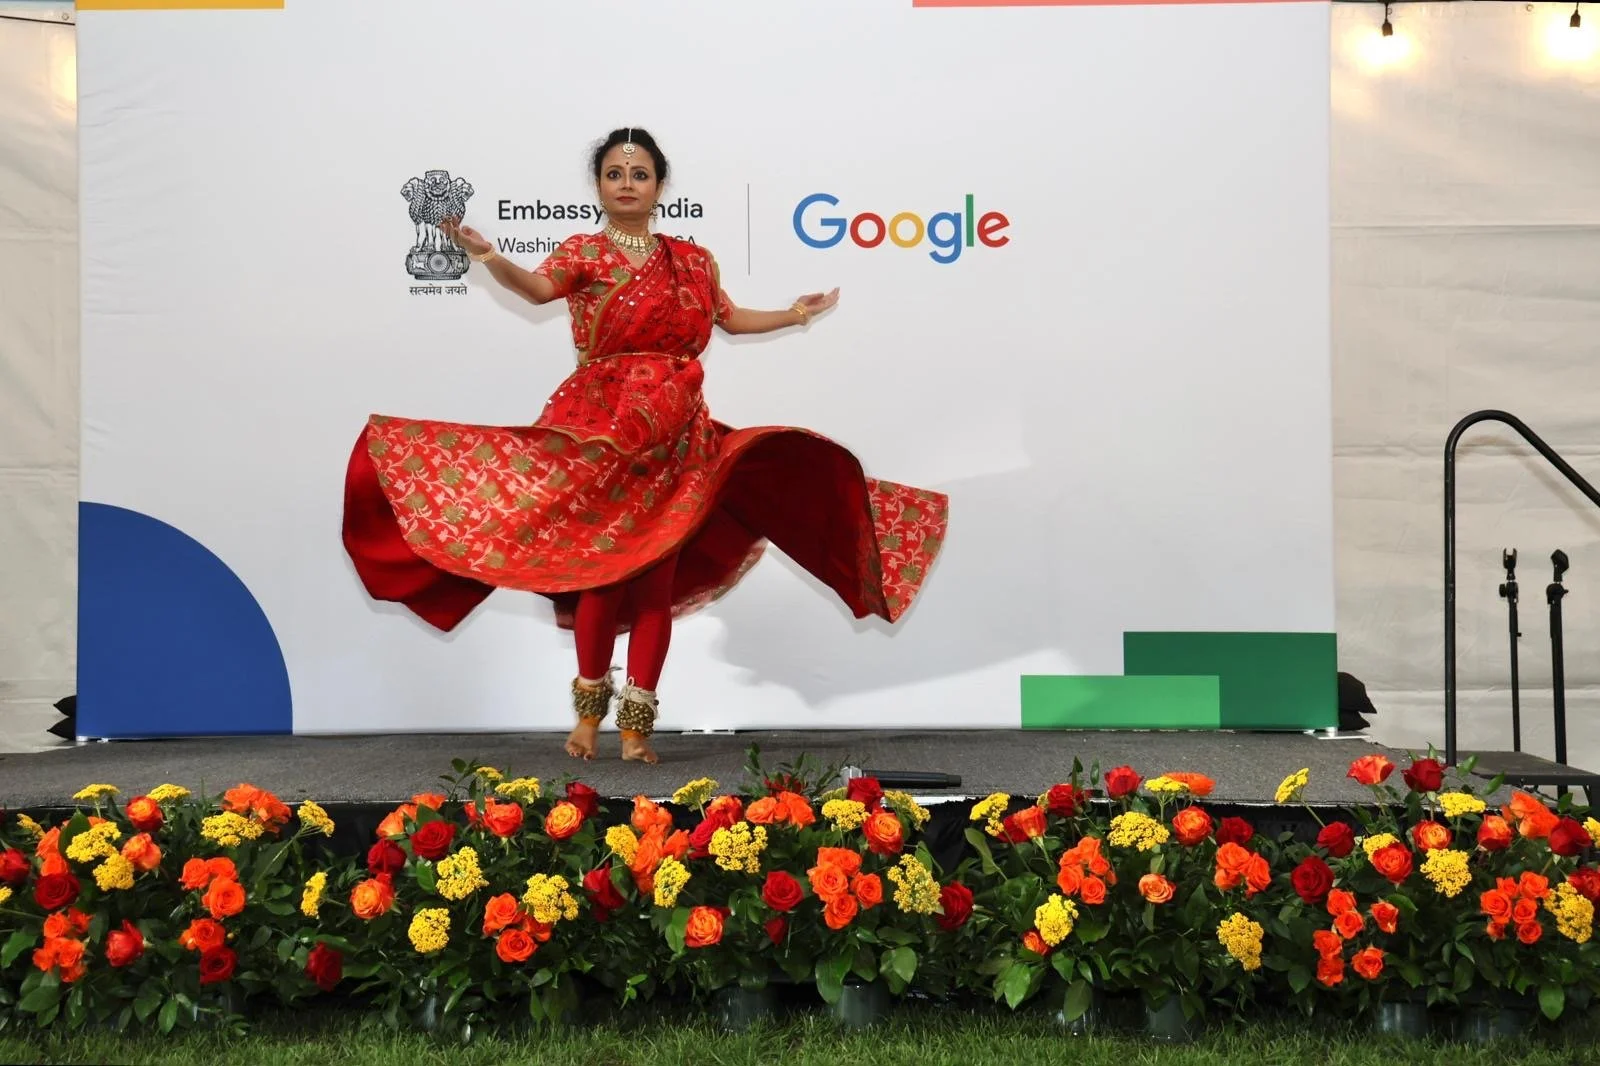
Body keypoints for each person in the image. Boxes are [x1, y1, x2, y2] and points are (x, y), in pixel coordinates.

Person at [342, 127, 948, 765]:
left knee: (655, 583)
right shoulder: (585, 252)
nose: (626, 184)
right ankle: (586, 720)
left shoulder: (692, 260)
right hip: (601, 438)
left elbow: (730, 318)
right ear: (598, 185)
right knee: (600, 576)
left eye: (638, 175)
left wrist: (795, 314)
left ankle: (637, 728)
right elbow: (540, 290)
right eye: (613, 174)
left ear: (660, 186)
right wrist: (490, 257)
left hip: (676, 439)